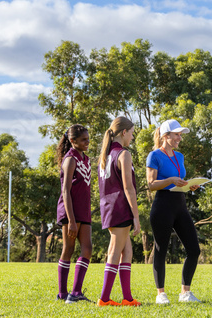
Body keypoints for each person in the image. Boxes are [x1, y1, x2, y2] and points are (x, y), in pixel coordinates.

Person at [146, 119, 202, 304]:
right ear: (166, 136)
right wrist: (170, 179)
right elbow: (151, 185)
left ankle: (185, 293)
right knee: (161, 249)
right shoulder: (154, 155)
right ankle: (160, 294)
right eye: (177, 134)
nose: (180, 138)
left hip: (180, 205)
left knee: (194, 249)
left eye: (180, 134)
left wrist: (189, 185)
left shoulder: (180, 156)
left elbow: (180, 179)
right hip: (162, 206)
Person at [97, 116, 141, 307]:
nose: (131, 137)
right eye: (131, 134)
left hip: (108, 208)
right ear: (124, 132)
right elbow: (128, 188)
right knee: (115, 251)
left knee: (127, 251)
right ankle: (104, 298)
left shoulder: (105, 155)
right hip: (120, 208)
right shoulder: (123, 154)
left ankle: (127, 298)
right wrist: (136, 217)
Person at [55, 124, 93, 304]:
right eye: (83, 140)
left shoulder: (86, 158)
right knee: (68, 249)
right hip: (70, 211)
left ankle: (76, 292)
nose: (87, 142)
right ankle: (62, 294)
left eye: (88, 138)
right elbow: (65, 190)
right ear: (73, 141)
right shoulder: (70, 159)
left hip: (84, 210)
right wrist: (70, 220)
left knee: (88, 249)